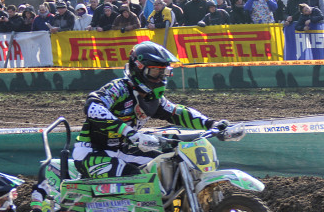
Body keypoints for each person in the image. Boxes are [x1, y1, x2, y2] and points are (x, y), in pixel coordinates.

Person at [73, 41, 228, 178]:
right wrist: (130, 133)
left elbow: (178, 112)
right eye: (155, 72)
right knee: (135, 178)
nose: (160, 78)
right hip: (90, 153)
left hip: (123, 150)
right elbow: (92, 106)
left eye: (163, 72)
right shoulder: (119, 88)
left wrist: (211, 124)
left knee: (168, 166)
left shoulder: (153, 99)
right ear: (138, 69)